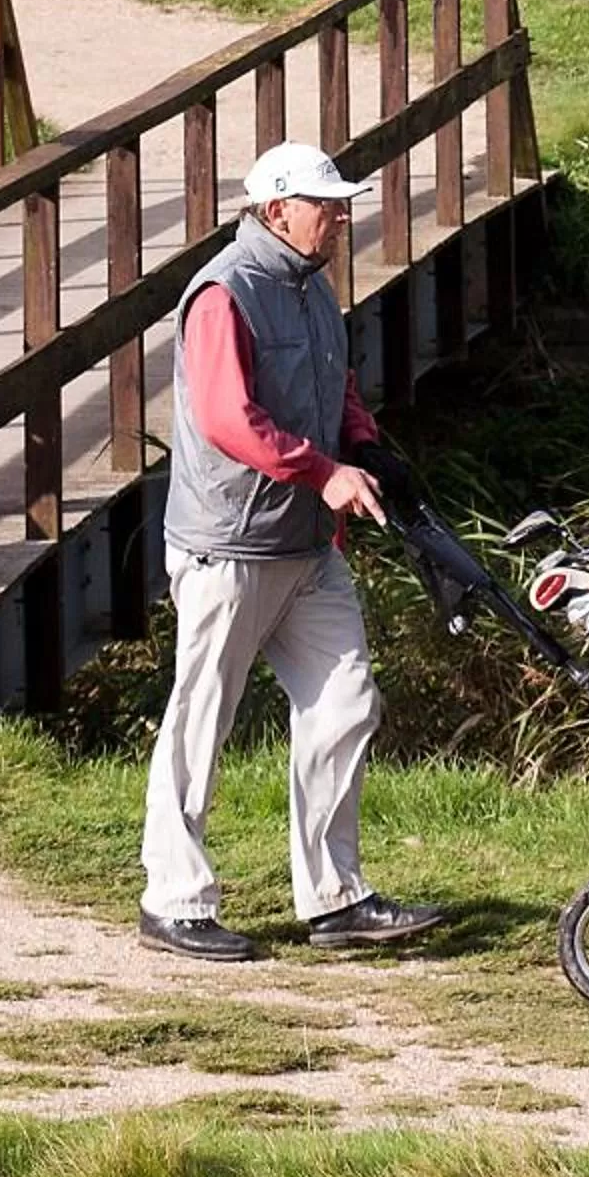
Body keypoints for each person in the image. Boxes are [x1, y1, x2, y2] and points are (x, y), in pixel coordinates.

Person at [137, 140, 446, 962]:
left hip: (306, 545)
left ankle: (335, 898)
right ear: (277, 210)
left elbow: (335, 383)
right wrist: (324, 471)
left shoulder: (313, 286)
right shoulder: (223, 293)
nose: (341, 218)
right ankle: (173, 899)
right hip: (229, 546)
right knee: (201, 719)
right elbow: (229, 418)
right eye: (327, 205)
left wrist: (365, 446)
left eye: (340, 204)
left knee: (347, 703)